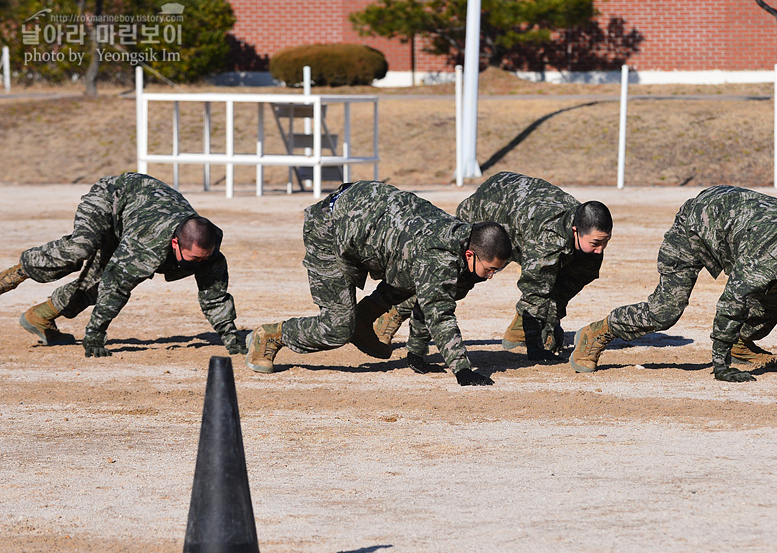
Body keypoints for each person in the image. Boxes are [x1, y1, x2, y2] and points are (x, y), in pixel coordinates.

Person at [569, 185, 777, 382]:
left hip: (736, 227)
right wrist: (720, 365)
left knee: (772, 302)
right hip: (695, 227)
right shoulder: (766, 257)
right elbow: (732, 304)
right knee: (666, 311)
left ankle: (740, 345)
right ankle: (599, 331)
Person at [244, 180, 512, 386]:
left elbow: (430, 297)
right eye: (490, 270)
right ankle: (269, 335)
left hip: (367, 224)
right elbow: (439, 314)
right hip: (329, 227)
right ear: (470, 253)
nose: (490, 277)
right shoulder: (438, 257)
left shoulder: (464, 244)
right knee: (337, 328)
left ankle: (363, 320)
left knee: (415, 279)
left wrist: (416, 354)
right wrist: (462, 370)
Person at [372, 171, 612, 369]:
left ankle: (519, 332)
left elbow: (565, 285)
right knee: (457, 279)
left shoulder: (589, 231)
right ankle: (393, 313)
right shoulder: (547, 238)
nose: (601, 250)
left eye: (605, 242)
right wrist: (536, 349)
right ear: (574, 230)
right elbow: (535, 289)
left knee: (581, 269)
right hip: (489, 208)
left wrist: (551, 321)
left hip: (520, 212)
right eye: (595, 243)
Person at [0, 172, 245, 357]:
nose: (200, 263)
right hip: (114, 196)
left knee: (95, 285)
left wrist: (230, 337)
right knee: (80, 249)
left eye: (205, 257)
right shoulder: (149, 245)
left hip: (136, 218)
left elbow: (214, 296)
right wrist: (95, 335)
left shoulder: (207, 249)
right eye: (193, 259)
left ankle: (39, 317)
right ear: (174, 243)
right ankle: (18, 272)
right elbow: (116, 287)